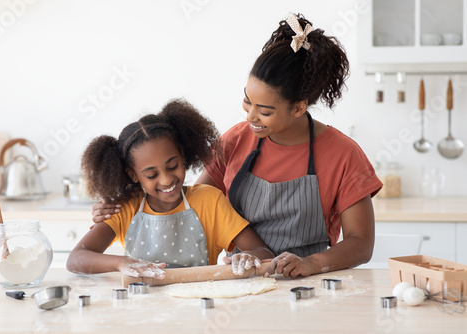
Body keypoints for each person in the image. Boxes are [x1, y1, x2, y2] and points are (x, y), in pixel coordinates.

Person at [91, 13, 383, 279]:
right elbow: (190, 204)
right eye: (247, 100)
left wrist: (312, 264)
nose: (250, 116)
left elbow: (360, 243)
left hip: (311, 284)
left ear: (298, 108)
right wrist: (119, 205)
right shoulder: (237, 140)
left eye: (264, 110)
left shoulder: (344, 154)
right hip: (242, 281)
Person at [67, 99, 274, 279]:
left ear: (182, 155)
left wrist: (249, 257)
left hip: (199, 308)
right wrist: (121, 263)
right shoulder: (125, 207)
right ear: (133, 174)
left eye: (172, 166)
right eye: (151, 175)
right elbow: (76, 259)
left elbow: (264, 252)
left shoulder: (209, 201)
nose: (166, 179)